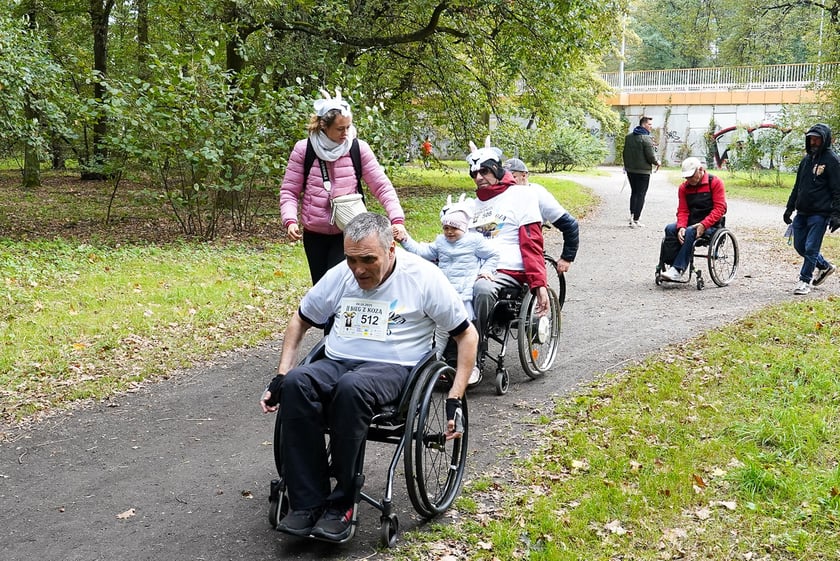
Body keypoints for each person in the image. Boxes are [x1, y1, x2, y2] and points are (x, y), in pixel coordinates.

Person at [259, 212, 478, 542]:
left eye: (367, 259)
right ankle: (307, 502)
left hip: (393, 368)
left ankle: (343, 504)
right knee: (295, 384)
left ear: (391, 249)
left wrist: (454, 398)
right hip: (336, 360)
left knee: (351, 388)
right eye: (351, 259)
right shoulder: (341, 276)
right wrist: (280, 374)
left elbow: (466, 335)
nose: (358, 269)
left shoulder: (423, 277)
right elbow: (300, 319)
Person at [280, 88, 407, 285]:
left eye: (348, 127)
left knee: (341, 283)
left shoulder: (358, 148)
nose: (346, 133)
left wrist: (396, 218)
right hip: (315, 234)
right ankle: (324, 317)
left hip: (350, 232)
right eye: (340, 129)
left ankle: (341, 316)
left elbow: (382, 186)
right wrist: (290, 220)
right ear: (323, 126)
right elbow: (289, 190)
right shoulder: (304, 149)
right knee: (321, 285)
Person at [394, 201, 498, 384]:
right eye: (446, 228)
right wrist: (405, 239)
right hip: (445, 291)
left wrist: (486, 271)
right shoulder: (441, 242)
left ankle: (471, 365)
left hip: (463, 294)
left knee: (464, 331)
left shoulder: (474, 241)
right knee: (440, 331)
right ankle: (430, 364)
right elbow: (422, 252)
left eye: (454, 228)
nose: (449, 232)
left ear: (463, 228)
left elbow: (493, 255)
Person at [465, 140, 549, 356]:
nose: (479, 178)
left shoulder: (522, 196)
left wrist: (539, 284)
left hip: (506, 269)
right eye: (474, 173)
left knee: (481, 290)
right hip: (470, 267)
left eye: (484, 171)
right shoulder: (470, 205)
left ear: (496, 169)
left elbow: (532, 243)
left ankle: (475, 351)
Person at [783, 123, 840, 295]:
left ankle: (804, 280)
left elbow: (838, 189)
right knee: (800, 246)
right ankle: (824, 266)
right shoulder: (806, 161)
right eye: (811, 139)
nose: (814, 142)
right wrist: (789, 208)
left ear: (825, 140)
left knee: (811, 248)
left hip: (820, 214)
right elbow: (797, 186)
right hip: (802, 213)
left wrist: (837, 214)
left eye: (817, 139)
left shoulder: (832, 160)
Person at [503, 158, 580, 273]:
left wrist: (566, 258)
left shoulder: (539, 194)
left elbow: (570, 225)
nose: (507, 182)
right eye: (504, 178)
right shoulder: (502, 194)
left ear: (524, 176)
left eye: (512, 177)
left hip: (530, 247)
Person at [659, 157, 727, 282]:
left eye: (691, 176)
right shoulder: (684, 188)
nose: (688, 180)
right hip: (691, 222)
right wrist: (681, 227)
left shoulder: (715, 183)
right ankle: (671, 264)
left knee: (691, 231)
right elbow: (683, 210)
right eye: (686, 177)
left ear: (700, 170)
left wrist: (703, 224)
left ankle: (678, 269)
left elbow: (720, 209)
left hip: (711, 225)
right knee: (670, 229)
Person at [622, 116, 661, 228]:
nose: (651, 127)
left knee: (634, 192)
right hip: (643, 172)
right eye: (649, 124)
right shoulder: (646, 138)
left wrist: (627, 166)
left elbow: (625, 153)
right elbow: (651, 156)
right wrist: (657, 162)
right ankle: (636, 219)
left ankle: (632, 215)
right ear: (643, 125)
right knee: (641, 194)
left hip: (630, 171)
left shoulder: (629, 137)